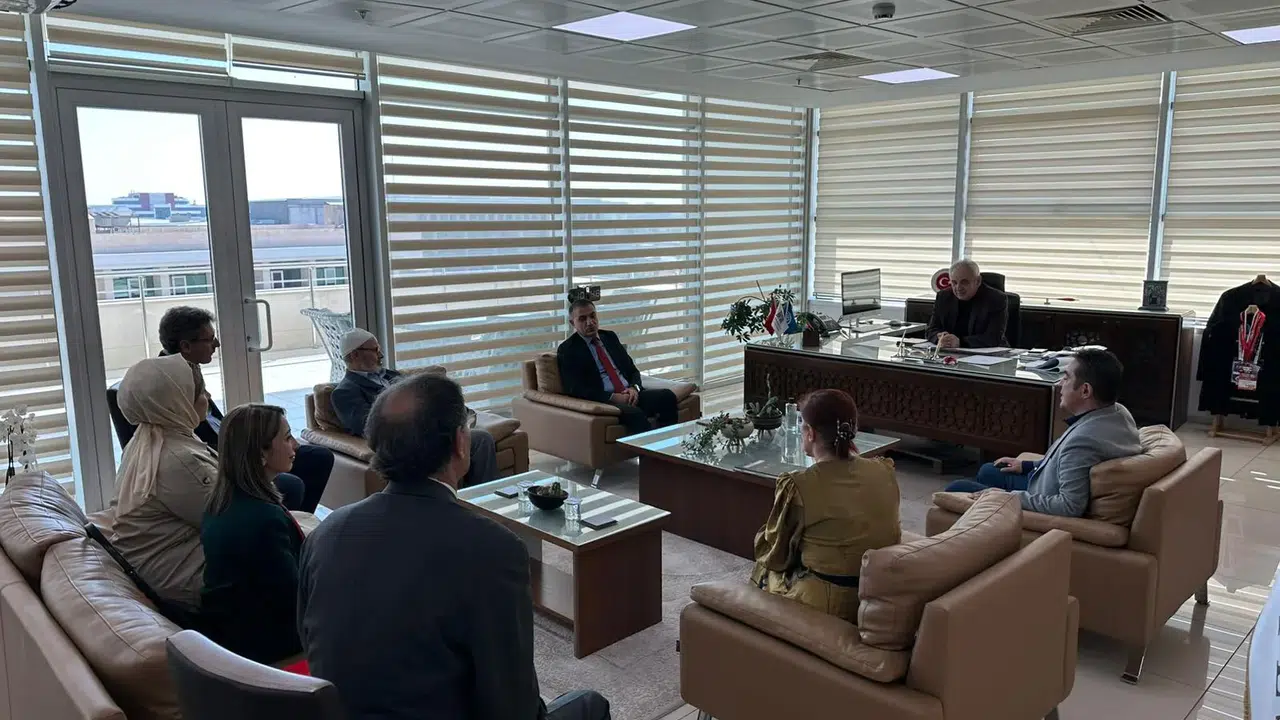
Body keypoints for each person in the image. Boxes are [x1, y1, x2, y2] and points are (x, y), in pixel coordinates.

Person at [298, 374, 611, 720]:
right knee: (590, 704)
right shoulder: (493, 548)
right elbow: (513, 705)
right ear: (461, 444)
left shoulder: (325, 535)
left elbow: (309, 642)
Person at [156, 306, 333, 513]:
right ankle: (282, 522)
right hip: (226, 459)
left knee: (318, 457)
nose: (217, 344)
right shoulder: (166, 382)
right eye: (210, 339)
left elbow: (213, 422)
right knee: (292, 483)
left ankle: (297, 521)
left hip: (235, 444)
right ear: (186, 346)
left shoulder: (189, 368)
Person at [751, 389, 900, 623]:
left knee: (764, 569)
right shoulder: (883, 470)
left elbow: (776, 555)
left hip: (828, 602)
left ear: (810, 433)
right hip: (877, 591)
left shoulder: (800, 485)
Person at [945, 349, 1142, 518]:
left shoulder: (1084, 442)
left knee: (957, 489)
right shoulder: (1117, 412)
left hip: (1043, 495)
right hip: (1046, 480)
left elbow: (1069, 506)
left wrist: (1006, 497)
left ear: (1085, 391)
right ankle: (986, 517)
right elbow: (1072, 466)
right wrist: (1028, 465)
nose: (1060, 384)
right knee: (989, 470)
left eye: (1066, 377)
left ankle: (990, 519)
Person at [110, 354, 219, 609]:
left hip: (162, 568)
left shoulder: (144, 439)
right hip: (187, 578)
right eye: (200, 392)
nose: (208, 397)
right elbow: (230, 520)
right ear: (177, 401)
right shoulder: (179, 460)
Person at [200, 404, 305, 666]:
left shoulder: (220, 503)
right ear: (261, 453)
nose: (295, 444)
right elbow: (294, 598)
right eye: (287, 437)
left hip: (235, 634)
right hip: (269, 646)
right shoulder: (263, 519)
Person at [330, 328, 497, 487]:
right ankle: (482, 498)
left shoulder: (392, 375)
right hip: (413, 439)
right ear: (354, 355)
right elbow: (369, 427)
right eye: (375, 350)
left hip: (436, 428)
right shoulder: (345, 392)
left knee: (471, 430)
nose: (381, 355)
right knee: (481, 439)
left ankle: (478, 495)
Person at [556, 299, 678, 435]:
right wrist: (613, 397)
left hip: (630, 394)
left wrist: (634, 388)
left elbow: (632, 370)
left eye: (592, 316)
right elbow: (575, 388)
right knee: (635, 413)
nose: (590, 322)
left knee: (667, 396)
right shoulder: (568, 349)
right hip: (605, 401)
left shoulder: (609, 337)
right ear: (573, 323)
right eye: (583, 319)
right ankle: (649, 449)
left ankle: (669, 442)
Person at [925, 259, 1009, 349]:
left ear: (978, 281)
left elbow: (993, 338)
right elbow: (931, 330)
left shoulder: (995, 299)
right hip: (951, 352)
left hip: (988, 354)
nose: (958, 287)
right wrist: (940, 338)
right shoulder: (943, 297)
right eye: (954, 282)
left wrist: (960, 342)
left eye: (964, 282)